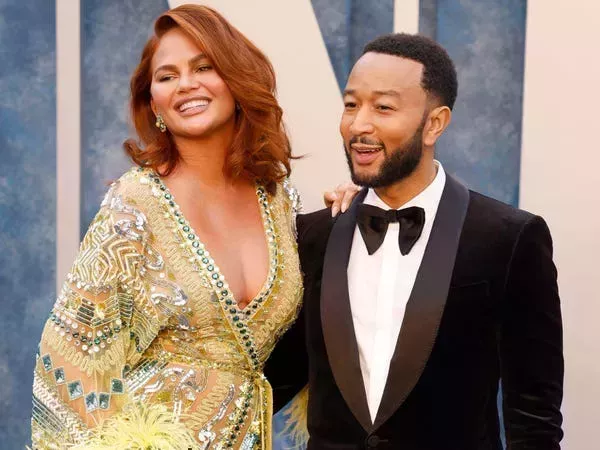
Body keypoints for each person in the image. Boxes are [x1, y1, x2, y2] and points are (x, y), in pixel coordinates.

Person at [30, 5, 356, 450]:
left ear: (236, 80)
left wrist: (352, 211)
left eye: (204, 67)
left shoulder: (278, 201)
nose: (186, 84)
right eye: (167, 76)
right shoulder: (134, 206)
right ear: (154, 104)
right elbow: (70, 355)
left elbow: (310, 326)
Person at [266, 33, 564, 449]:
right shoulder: (313, 235)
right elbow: (270, 380)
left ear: (434, 124)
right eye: (351, 105)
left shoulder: (509, 238)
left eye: (383, 107)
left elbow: (534, 417)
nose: (359, 125)